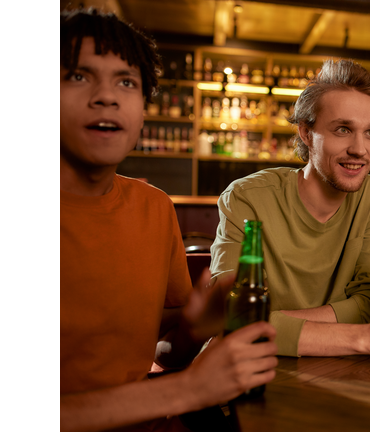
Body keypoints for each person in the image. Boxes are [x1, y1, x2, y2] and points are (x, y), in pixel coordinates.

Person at [60, 9, 277, 432]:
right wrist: (187, 390)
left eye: (127, 82)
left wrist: (194, 330)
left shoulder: (155, 207)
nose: (108, 96)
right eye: (78, 76)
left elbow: (165, 355)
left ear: (143, 109)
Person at [209, 59, 370, 357]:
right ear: (306, 133)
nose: (360, 149)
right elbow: (228, 316)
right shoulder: (247, 197)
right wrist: (366, 337)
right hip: (249, 373)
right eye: (342, 130)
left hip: (338, 371)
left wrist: (267, 323)